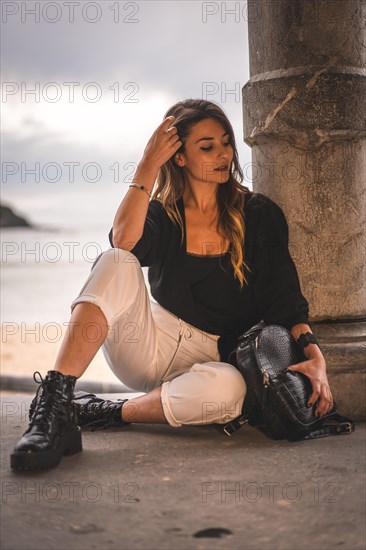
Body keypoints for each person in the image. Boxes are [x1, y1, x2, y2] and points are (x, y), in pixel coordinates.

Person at [11, 99, 334, 471]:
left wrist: (315, 357)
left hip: (217, 358)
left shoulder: (260, 214)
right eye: (207, 147)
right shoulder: (163, 215)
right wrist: (147, 165)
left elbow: (285, 298)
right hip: (151, 346)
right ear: (179, 157)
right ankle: (54, 400)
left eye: (226, 143)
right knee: (116, 259)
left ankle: (107, 411)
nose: (223, 155)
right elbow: (124, 240)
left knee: (228, 393)